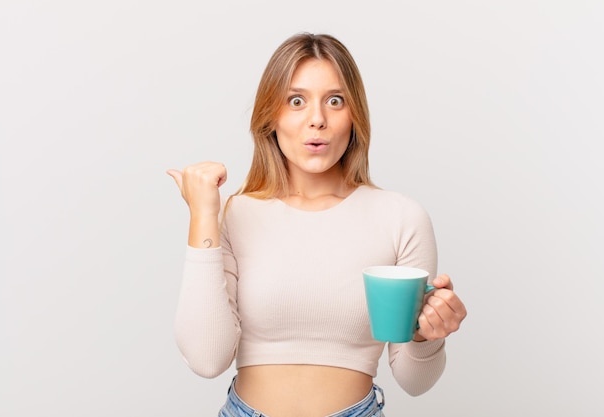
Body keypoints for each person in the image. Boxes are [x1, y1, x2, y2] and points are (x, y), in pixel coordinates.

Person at [167, 32, 467, 417]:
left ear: (354, 114)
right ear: (270, 116)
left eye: (335, 101)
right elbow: (207, 360)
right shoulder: (235, 214)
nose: (317, 120)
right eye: (296, 101)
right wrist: (204, 214)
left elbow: (415, 381)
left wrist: (427, 335)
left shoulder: (401, 218)